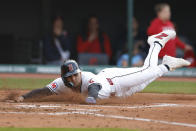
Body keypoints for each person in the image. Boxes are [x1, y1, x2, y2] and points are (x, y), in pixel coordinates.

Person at [16, 30, 190, 104]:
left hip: (114, 80)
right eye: (69, 77)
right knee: (145, 81)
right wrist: (24, 97)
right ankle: (167, 65)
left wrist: (91, 99)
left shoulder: (87, 78)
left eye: (75, 75)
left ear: (79, 72)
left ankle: (156, 43)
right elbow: (44, 91)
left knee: (147, 71)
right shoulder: (61, 83)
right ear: (64, 79)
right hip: (120, 92)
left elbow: (94, 88)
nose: (73, 78)